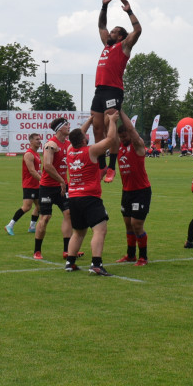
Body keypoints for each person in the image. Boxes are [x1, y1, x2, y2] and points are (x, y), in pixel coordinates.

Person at [90, 0, 142, 181]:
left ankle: (112, 167)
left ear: (120, 37)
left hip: (114, 90)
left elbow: (137, 31)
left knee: (109, 125)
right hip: (100, 90)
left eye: (114, 31)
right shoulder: (106, 45)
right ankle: (101, 166)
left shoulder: (124, 46)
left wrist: (129, 11)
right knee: (97, 129)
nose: (109, 32)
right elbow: (101, 24)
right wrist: (104, 5)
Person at [64, 109, 120, 276]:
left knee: (78, 232)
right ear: (83, 139)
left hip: (73, 197)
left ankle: (70, 262)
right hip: (89, 197)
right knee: (100, 229)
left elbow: (77, 134)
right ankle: (96, 264)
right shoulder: (90, 151)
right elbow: (110, 140)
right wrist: (112, 121)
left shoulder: (69, 151)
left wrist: (90, 120)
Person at [34, 117, 79, 261]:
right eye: (66, 125)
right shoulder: (51, 144)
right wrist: (61, 180)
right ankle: (37, 250)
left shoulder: (68, 144)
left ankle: (67, 250)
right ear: (60, 128)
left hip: (63, 187)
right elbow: (47, 166)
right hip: (48, 187)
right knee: (45, 217)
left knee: (69, 214)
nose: (68, 127)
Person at [114, 110, 152, 265]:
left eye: (125, 136)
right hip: (127, 191)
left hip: (141, 191)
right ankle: (131, 255)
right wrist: (111, 119)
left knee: (137, 225)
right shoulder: (119, 147)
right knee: (128, 225)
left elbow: (132, 131)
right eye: (121, 137)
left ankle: (143, 256)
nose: (123, 139)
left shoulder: (138, 146)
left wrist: (121, 111)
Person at [5, 133, 41, 235]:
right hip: (29, 185)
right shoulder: (29, 154)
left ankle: (32, 227)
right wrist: (43, 180)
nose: (39, 141)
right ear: (31, 141)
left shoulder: (37, 154)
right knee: (26, 207)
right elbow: (32, 171)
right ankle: (10, 225)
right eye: (37, 139)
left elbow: (38, 171)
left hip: (36, 184)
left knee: (39, 206)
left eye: (39, 139)